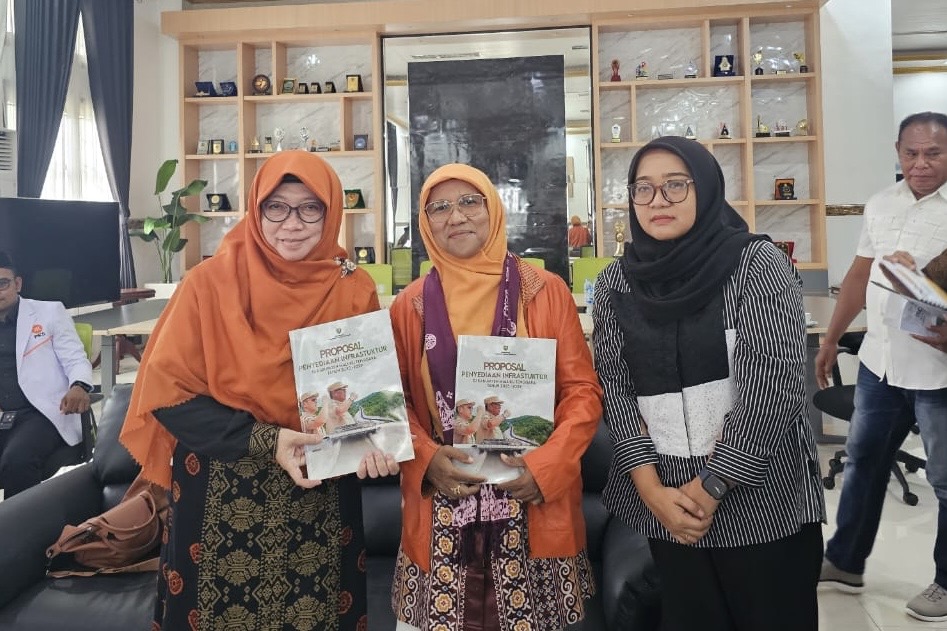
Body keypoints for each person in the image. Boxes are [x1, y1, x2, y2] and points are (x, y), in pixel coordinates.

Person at [119, 151, 399, 630]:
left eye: (310, 208)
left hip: (320, 495)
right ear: (256, 208)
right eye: (276, 207)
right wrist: (270, 440)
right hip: (221, 494)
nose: (292, 223)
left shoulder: (353, 289)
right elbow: (168, 398)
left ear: (332, 211)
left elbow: (364, 395)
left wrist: (376, 444)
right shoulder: (207, 284)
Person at [593, 136, 825, 631]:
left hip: (762, 503)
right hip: (667, 504)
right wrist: (651, 491)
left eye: (676, 185)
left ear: (706, 188)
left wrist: (711, 487)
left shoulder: (756, 265)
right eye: (643, 188)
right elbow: (616, 390)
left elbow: (773, 390)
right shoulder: (616, 284)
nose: (658, 200)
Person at [389, 164, 602, 631]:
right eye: (439, 208)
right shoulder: (410, 305)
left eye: (470, 201)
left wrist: (546, 468)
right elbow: (395, 399)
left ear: (494, 208)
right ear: (425, 222)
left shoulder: (544, 292)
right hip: (441, 510)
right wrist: (426, 459)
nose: (456, 216)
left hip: (530, 500)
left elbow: (582, 393)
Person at [816, 111, 947, 621]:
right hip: (881, 363)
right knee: (864, 462)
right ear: (898, 152)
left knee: (944, 480)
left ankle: (945, 583)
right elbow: (859, 275)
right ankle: (845, 562)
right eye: (911, 153)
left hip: (939, 372)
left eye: (933, 153)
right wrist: (832, 338)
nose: (920, 164)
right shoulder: (880, 204)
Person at [0, 251, 93, 497]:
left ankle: (22, 522)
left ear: (18, 284)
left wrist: (79, 386)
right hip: (2, 415)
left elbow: (75, 358)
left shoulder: (49, 312)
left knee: (17, 462)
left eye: (3, 283)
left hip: (41, 413)